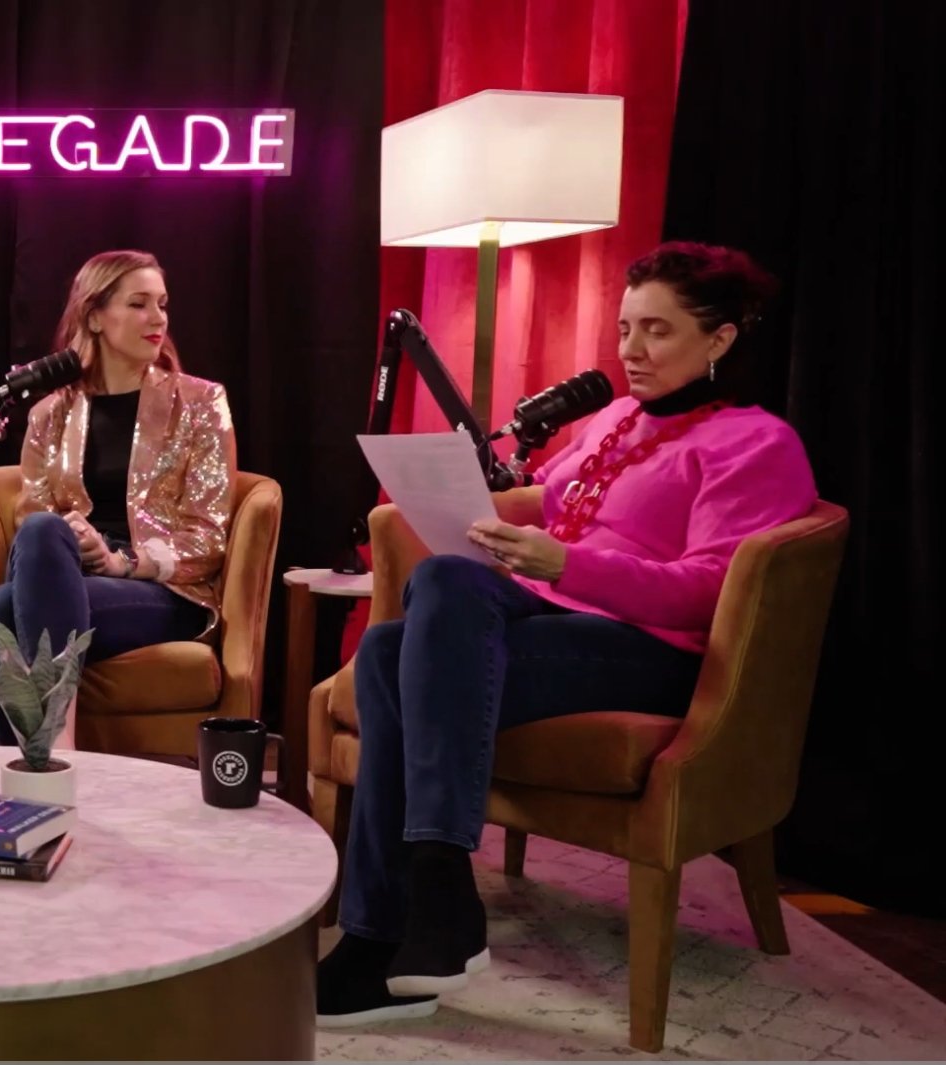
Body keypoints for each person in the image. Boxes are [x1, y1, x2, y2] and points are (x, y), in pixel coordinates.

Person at [315, 241, 819, 1027]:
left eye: (657, 330)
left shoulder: (756, 444)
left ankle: (408, 910)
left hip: (654, 652)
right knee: (396, 635)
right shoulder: (616, 417)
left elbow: (712, 593)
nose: (631, 350)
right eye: (624, 328)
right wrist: (476, 502)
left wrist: (566, 563)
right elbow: (553, 499)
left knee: (401, 645)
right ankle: (409, 913)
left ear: (719, 339)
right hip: (555, 619)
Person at [0, 250, 237, 746]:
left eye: (162, 304)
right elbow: (35, 516)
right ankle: (44, 764)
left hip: (163, 590)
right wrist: (78, 538)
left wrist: (124, 562)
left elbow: (207, 536)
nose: (158, 318)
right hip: (67, 575)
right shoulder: (51, 413)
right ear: (94, 317)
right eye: (139, 304)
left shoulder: (202, 403)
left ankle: (47, 759)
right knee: (38, 533)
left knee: (0, 609)